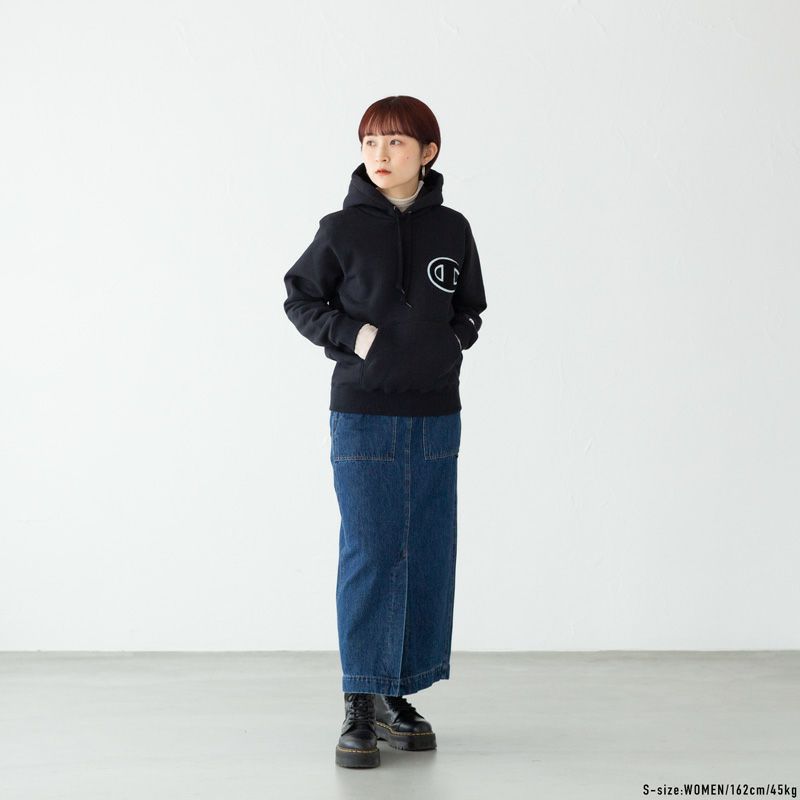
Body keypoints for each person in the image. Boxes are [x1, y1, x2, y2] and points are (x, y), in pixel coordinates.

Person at [283, 95, 487, 769]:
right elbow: (300, 298)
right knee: (371, 552)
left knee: (426, 550)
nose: (380, 154)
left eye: (396, 142)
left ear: (428, 153)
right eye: (370, 142)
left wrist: (449, 344)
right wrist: (357, 337)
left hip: (437, 413)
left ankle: (399, 693)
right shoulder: (341, 228)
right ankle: (359, 699)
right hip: (363, 412)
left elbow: (471, 307)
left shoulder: (452, 228)